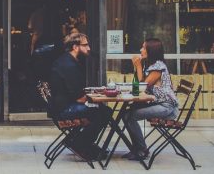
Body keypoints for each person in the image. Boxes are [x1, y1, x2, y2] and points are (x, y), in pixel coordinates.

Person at [47, 32, 111, 160]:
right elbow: (79, 98)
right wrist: (98, 97)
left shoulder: (67, 61)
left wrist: (95, 94)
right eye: (85, 45)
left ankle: (80, 142)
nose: (89, 48)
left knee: (102, 110)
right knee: (103, 112)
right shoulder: (69, 66)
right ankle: (80, 144)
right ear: (75, 47)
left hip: (61, 106)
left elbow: (77, 93)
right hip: (65, 109)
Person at [122, 38, 179, 161]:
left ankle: (141, 149)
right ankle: (137, 149)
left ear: (151, 51)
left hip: (166, 107)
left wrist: (137, 65)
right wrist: (138, 66)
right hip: (159, 104)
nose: (140, 50)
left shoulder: (158, 67)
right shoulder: (152, 65)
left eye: (143, 48)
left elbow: (142, 86)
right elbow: (140, 83)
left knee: (129, 116)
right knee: (127, 113)